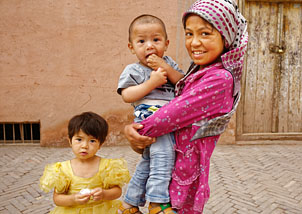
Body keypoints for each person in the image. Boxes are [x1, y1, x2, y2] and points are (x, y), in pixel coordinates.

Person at [123, 1, 249, 213]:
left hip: (184, 177)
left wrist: (135, 131)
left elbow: (168, 117)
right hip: (169, 167)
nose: (194, 43)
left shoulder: (219, 78)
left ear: (226, 36)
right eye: (189, 34)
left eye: (205, 34)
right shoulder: (199, 71)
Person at [117, 14, 184, 214]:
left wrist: (165, 68)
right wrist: (152, 82)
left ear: (166, 43)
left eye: (156, 40)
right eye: (141, 41)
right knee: (164, 157)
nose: (150, 46)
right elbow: (127, 95)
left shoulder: (169, 63)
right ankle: (158, 203)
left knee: (148, 162)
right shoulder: (133, 70)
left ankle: (129, 204)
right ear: (131, 47)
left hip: (170, 119)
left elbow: (182, 83)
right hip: (150, 119)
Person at [39, 112, 131, 214]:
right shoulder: (63, 169)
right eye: (79, 139)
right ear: (70, 141)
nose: (85, 146)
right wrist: (73, 199)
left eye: (92, 141)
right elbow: (57, 198)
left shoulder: (107, 166)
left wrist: (104, 194)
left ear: (100, 144)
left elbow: (117, 191)